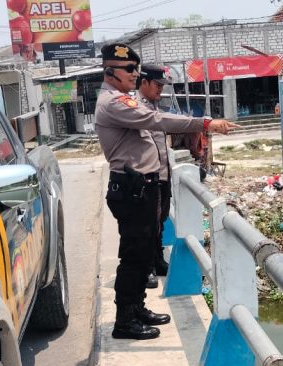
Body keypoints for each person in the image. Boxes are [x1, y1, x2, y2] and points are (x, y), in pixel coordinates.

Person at [95, 43, 238, 340]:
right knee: (134, 256)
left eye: (136, 69)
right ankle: (125, 320)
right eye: (129, 69)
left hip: (142, 188)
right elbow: (157, 120)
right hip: (132, 190)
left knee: (144, 252)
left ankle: (137, 308)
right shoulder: (113, 102)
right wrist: (205, 123)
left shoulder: (122, 99)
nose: (135, 74)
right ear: (110, 72)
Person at [134, 64, 175, 289]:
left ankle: (158, 261)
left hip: (162, 174)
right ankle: (146, 267)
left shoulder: (154, 106)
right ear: (144, 82)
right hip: (148, 176)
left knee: (160, 220)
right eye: (157, 85)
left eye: (162, 85)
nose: (160, 89)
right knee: (148, 223)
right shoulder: (138, 108)